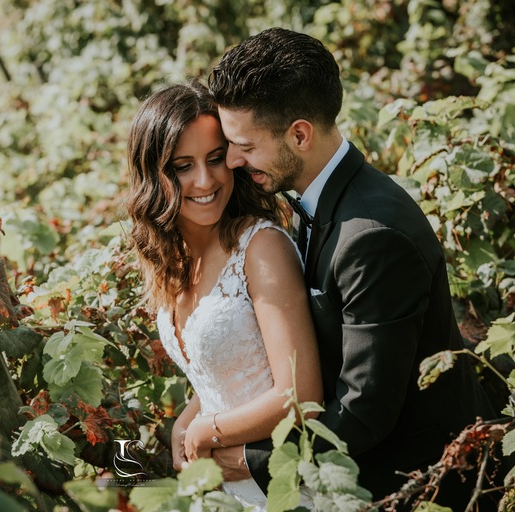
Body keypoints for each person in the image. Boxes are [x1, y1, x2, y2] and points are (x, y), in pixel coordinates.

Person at [207, 27, 501, 509]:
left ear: (299, 134)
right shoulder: (315, 198)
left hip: (415, 484)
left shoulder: (372, 237)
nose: (233, 160)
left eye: (245, 145)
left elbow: (365, 409)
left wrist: (249, 460)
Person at [126, 81, 323, 509]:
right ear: (152, 175)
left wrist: (207, 430)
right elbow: (227, 369)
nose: (204, 179)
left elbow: (299, 396)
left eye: (216, 159)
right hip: (227, 489)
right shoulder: (172, 260)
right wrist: (187, 419)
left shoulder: (261, 248)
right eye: (182, 166)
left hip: (283, 486)